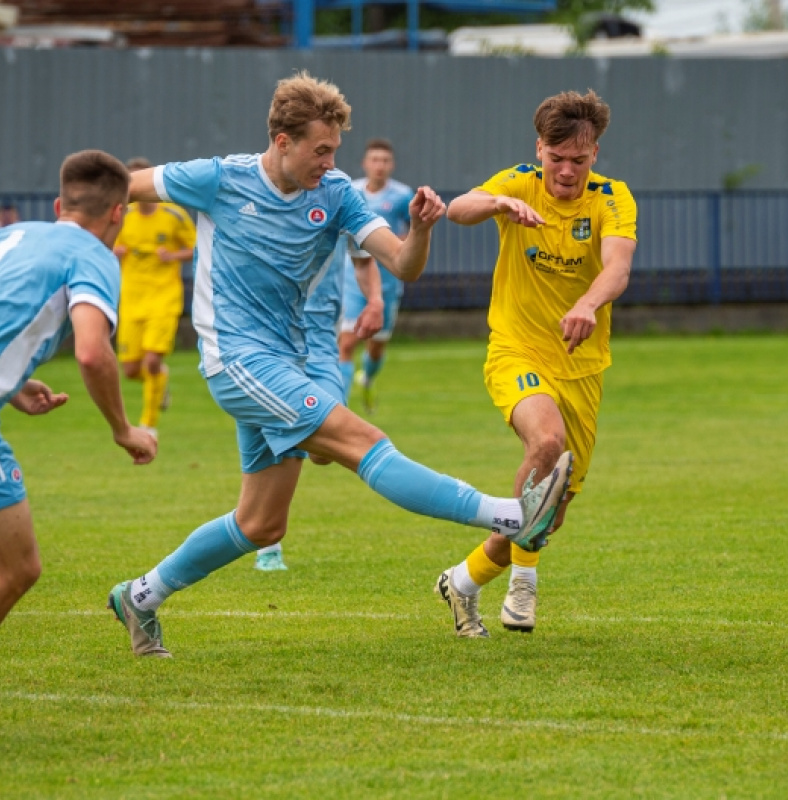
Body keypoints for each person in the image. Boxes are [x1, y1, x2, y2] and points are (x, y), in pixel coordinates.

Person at [106, 70, 572, 658]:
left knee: (261, 524)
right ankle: (511, 515)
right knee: (361, 441)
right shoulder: (219, 178)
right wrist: (82, 226)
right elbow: (121, 186)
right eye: (320, 150)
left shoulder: (337, 195)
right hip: (237, 359)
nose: (330, 162)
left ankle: (139, 597)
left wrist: (421, 229)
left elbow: (402, 264)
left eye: (335, 151)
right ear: (282, 141)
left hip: (291, 361)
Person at [436, 89, 637, 638]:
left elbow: (617, 267)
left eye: (580, 158)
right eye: (557, 158)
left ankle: (463, 581)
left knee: (551, 509)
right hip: (516, 349)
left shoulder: (612, 198)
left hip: (582, 365)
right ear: (539, 150)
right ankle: (524, 585)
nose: (567, 170)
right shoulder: (518, 182)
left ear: (595, 153)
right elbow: (458, 208)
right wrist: (499, 205)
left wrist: (587, 303)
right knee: (545, 445)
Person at [0, 150, 158, 626]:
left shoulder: (14, 234)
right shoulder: (94, 256)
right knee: (18, 567)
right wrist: (123, 428)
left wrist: (13, 384)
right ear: (119, 214)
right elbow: (92, 350)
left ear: (57, 207)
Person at [253, 234, 384, 572]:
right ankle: (269, 544)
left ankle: (264, 532)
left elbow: (364, 257)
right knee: (281, 431)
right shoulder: (262, 199)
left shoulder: (337, 197)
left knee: (323, 452)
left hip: (322, 344)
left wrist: (375, 301)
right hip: (272, 342)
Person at [113, 157, 197, 439]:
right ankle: (161, 380)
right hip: (132, 298)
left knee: (150, 361)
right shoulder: (123, 217)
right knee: (131, 369)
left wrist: (173, 255)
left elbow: (196, 248)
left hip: (164, 297)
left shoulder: (173, 215)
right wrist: (115, 252)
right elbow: (103, 244)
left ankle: (148, 425)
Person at [338, 139, 414, 413]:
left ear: (391, 165)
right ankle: (340, 407)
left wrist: (402, 246)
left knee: (376, 347)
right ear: (365, 163)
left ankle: (367, 378)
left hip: (387, 282)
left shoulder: (402, 196)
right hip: (353, 277)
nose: (379, 166)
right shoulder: (350, 191)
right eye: (374, 160)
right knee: (345, 343)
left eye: (385, 161)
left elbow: (411, 234)